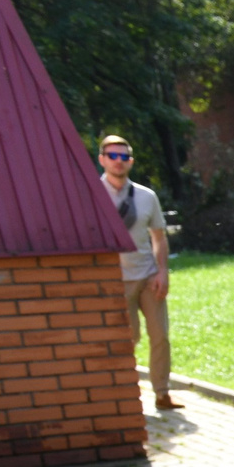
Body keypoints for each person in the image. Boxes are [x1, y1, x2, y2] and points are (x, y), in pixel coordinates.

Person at [100, 135, 173, 412]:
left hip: (148, 277)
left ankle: (162, 393)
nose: (119, 162)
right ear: (102, 159)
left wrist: (162, 271)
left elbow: (159, 237)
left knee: (160, 336)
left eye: (124, 156)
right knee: (127, 339)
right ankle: (128, 394)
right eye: (113, 156)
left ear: (130, 160)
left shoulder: (146, 196)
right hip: (114, 280)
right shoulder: (92, 194)